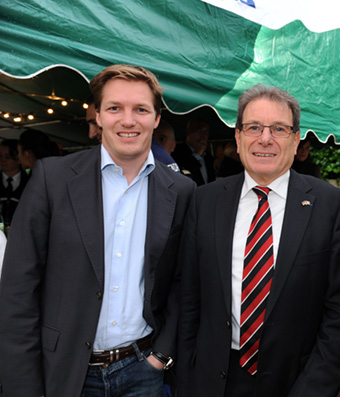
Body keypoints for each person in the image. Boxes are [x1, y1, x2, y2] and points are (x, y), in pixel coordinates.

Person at [0, 64, 194, 396]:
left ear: (157, 118)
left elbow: (182, 282)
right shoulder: (53, 178)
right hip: (64, 371)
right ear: (98, 116)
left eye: (141, 109)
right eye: (115, 108)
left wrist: (161, 355)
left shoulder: (180, 190)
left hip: (143, 371)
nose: (128, 120)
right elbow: (19, 288)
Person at [177, 84, 340, 396]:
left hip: (296, 382)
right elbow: (190, 298)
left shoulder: (332, 205)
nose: (265, 138)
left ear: (296, 138)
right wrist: (187, 378)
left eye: (279, 129)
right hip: (213, 380)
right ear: (238, 136)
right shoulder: (204, 202)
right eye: (254, 127)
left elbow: (339, 310)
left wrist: (315, 388)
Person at [172, 117, 216, 186]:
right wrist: (197, 155)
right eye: (199, 130)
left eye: (206, 131)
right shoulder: (177, 151)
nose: (203, 135)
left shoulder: (208, 157)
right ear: (188, 132)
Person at [0, 139, 29, 231]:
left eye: (7, 157)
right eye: (0, 156)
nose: (2, 160)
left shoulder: (29, 183)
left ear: (18, 159)